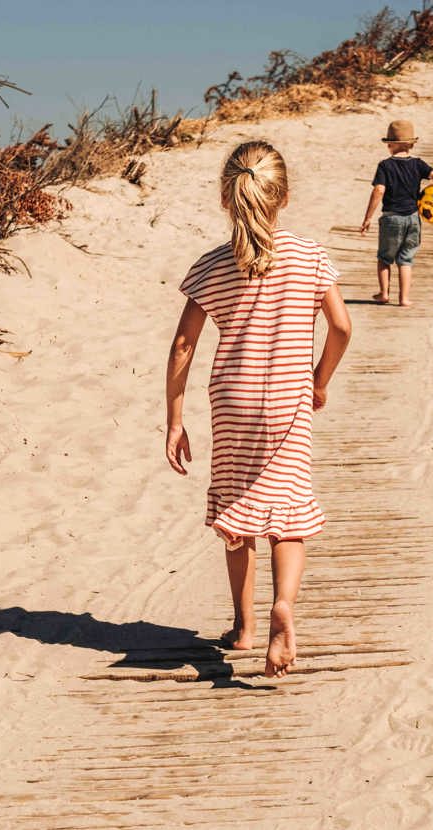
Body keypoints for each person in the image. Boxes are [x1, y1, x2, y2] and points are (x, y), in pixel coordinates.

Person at [165, 140, 352, 679]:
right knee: (287, 511)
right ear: (284, 196)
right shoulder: (311, 256)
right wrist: (319, 382)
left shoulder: (213, 266)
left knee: (236, 510)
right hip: (287, 399)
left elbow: (183, 345)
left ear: (227, 199)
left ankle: (244, 627)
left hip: (232, 401)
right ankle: (284, 606)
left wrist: (175, 420)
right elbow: (341, 327)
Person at [360, 119, 433, 307]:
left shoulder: (385, 166)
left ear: (390, 145)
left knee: (384, 258)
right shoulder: (418, 164)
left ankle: (384, 294)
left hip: (391, 218)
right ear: (412, 143)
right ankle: (404, 298)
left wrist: (367, 218)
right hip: (414, 218)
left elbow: (379, 191)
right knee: (406, 259)